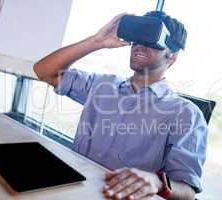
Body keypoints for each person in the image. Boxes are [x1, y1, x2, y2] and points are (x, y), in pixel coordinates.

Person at [34, 11, 207, 200]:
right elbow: (44, 71)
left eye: (152, 40)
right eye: (138, 38)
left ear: (172, 56)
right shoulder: (101, 85)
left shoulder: (185, 114)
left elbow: (188, 191)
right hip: (70, 190)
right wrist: (97, 41)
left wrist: (157, 182)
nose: (141, 45)